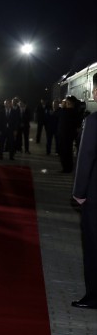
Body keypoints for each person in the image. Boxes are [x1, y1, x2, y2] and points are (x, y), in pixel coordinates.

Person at [72, 74, 97, 309]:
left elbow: (85, 158)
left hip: (95, 197)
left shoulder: (94, 121)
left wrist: (79, 192)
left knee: (93, 246)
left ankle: (94, 296)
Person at [57, 96, 82, 173]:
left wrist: (62, 106)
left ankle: (66, 168)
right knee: (67, 152)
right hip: (69, 136)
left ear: (69, 103)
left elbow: (58, 114)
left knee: (64, 152)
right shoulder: (75, 112)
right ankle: (68, 167)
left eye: (66, 102)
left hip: (65, 136)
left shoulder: (66, 111)